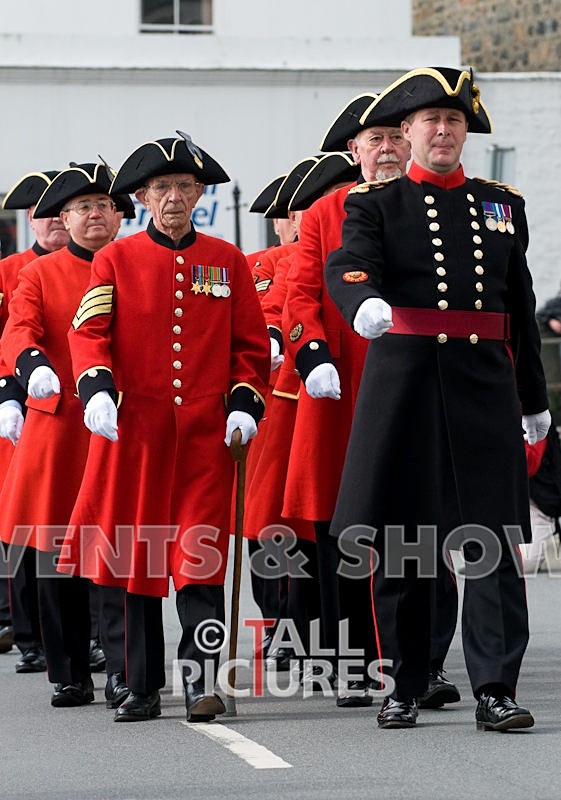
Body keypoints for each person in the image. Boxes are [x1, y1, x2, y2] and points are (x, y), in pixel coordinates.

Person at [325, 66, 550, 730]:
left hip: (481, 388)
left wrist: (532, 400)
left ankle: (494, 688)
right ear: (407, 132)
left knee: (488, 547)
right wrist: (363, 299)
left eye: (454, 121)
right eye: (430, 121)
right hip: (408, 386)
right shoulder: (374, 202)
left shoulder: (499, 203)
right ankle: (406, 679)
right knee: (406, 545)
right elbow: (349, 263)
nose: (443, 131)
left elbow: (519, 307)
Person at [58, 132, 270, 723]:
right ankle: (140, 684)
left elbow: (250, 345)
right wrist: (96, 386)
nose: (173, 197)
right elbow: (88, 332)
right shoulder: (115, 259)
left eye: (183, 186)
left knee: (200, 558)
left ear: (199, 192)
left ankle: (203, 683)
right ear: (144, 199)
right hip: (140, 434)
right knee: (139, 561)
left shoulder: (227, 260)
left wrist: (244, 403)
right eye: (161, 189)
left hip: (205, 435)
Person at [282, 93, 412, 706]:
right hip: (343, 387)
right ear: (353, 152)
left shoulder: (431, 204)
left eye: (394, 136)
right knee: (344, 529)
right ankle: (355, 662)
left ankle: (421, 662)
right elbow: (300, 295)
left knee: (421, 529)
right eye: (374, 140)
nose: (385, 149)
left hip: (415, 383)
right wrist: (312, 355)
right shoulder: (324, 213)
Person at [0, 162, 133, 707]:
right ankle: (69, 670)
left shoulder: (135, 263)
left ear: (119, 214)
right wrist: (31, 370)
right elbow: (19, 328)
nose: (95, 214)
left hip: (122, 423)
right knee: (57, 553)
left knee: (118, 550)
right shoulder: (39, 273)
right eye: (83, 207)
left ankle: (124, 666)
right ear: (65, 217)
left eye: (104, 204)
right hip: (61, 423)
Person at [0, 169, 70, 670]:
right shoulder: (12, 270)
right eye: (43, 213)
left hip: (74, 406)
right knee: (22, 526)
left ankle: (77, 633)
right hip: (17, 409)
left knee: (70, 525)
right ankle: (24, 631)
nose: (53, 222)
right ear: (32, 219)